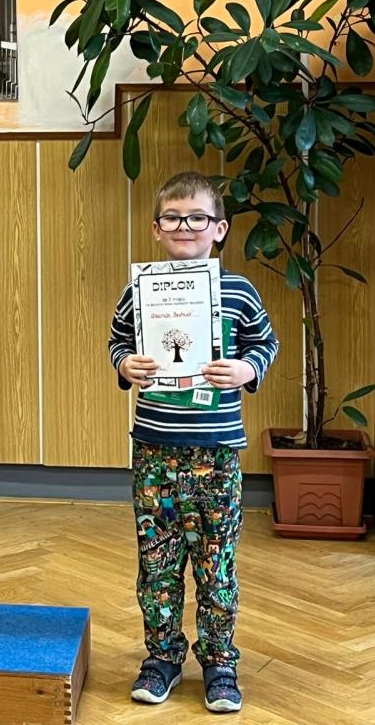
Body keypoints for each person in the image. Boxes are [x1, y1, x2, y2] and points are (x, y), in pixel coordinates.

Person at [108, 171, 279, 713]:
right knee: (157, 562)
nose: (185, 226)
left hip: (217, 452)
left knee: (216, 563)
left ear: (219, 228)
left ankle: (220, 662)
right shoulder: (140, 291)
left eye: (197, 218)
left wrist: (247, 369)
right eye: (173, 218)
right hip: (154, 451)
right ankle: (161, 657)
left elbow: (265, 343)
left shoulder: (239, 292)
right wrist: (125, 365)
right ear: (156, 228)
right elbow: (117, 341)